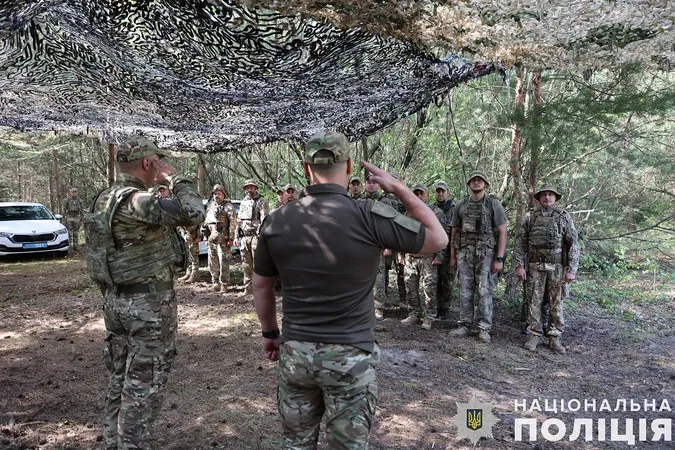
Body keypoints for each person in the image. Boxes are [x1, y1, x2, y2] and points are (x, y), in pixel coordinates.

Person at [252, 130, 448, 450]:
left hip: (296, 353)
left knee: (295, 444)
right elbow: (437, 238)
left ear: (305, 169)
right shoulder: (369, 214)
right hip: (351, 355)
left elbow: (261, 286)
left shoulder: (277, 219)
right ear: (349, 167)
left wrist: (270, 334)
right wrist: (397, 187)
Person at [84, 136, 205, 449]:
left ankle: (114, 442)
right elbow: (193, 213)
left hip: (115, 301)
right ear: (149, 163)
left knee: (119, 378)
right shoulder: (138, 200)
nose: (159, 168)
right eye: (157, 162)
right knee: (144, 383)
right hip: (147, 305)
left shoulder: (103, 198)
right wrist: (176, 177)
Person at [515, 184, 579, 354]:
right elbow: (520, 243)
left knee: (556, 302)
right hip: (535, 266)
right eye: (544, 195)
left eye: (550, 195)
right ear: (539, 198)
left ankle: (555, 337)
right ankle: (534, 335)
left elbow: (573, 244)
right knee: (533, 301)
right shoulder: (530, 217)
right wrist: (519, 266)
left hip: (557, 266)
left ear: (555, 198)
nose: (547, 197)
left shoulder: (563, 217)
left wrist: (571, 269)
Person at [449, 171, 507, 344]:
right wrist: (452, 256)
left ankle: (483, 327)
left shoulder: (493, 204)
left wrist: (500, 258)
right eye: (473, 180)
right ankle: (464, 324)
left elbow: (502, 231)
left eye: (479, 180)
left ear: (485, 184)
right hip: (465, 253)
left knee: (484, 290)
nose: (476, 183)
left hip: (486, 254)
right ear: (469, 184)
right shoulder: (461, 204)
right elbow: (455, 231)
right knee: (465, 290)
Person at [400, 185, 444, 330]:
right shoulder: (408, 212)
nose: (418, 196)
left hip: (428, 258)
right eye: (416, 194)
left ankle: (429, 317)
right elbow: (402, 234)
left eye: (421, 194)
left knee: (429, 289)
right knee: (410, 287)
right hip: (411, 257)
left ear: (427, 196)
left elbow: (444, 234)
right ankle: (414, 314)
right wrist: (401, 254)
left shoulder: (436, 212)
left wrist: (440, 255)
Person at [236, 179, 269, 297]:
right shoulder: (243, 202)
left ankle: (261, 290)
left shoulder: (261, 201)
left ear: (255, 188)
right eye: (247, 187)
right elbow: (239, 220)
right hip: (244, 237)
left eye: (251, 187)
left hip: (256, 237)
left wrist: (262, 236)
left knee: (258, 264)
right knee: (246, 263)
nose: (249, 190)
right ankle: (248, 288)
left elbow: (264, 220)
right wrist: (236, 236)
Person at [379, 171, 407, 307]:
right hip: (388, 240)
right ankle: (383, 299)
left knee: (402, 270)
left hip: (402, 241)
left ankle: (404, 300)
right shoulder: (383, 198)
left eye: (396, 179)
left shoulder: (406, 198)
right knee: (383, 270)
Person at [204, 184, 238, 292]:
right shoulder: (210, 206)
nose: (216, 196)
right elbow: (205, 222)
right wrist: (205, 237)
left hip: (224, 238)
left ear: (223, 194)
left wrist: (231, 238)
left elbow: (233, 223)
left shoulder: (228, 206)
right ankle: (215, 282)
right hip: (211, 238)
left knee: (224, 261)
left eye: (218, 194)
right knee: (212, 260)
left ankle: (224, 284)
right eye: (214, 194)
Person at [433, 181, 455, 319]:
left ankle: (445, 307)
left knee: (447, 280)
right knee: (435, 280)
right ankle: (435, 306)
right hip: (435, 249)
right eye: (438, 191)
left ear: (448, 192)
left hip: (449, 250)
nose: (440, 194)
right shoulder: (431, 208)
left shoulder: (455, 208)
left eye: (443, 191)